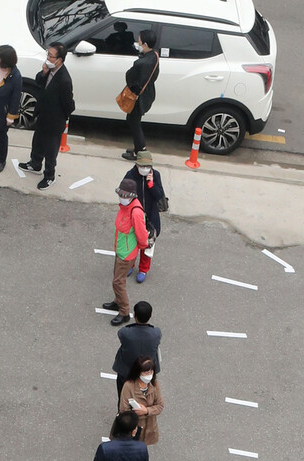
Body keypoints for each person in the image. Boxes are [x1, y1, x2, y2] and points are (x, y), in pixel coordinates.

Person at [18, 41, 75, 189]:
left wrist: (61, 117)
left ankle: (49, 175)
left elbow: (68, 104)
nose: (48, 58)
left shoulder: (64, 80)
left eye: (51, 56)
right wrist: (43, 72)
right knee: (38, 141)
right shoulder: (49, 69)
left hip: (55, 121)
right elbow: (39, 82)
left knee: (51, 149)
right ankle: (35, 164)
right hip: (43, 115)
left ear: (59, 60)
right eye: (48, 54)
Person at [103, 181, 149, 325]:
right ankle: (117, 301)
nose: (121, 197)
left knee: (118, 282)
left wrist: (143, 246)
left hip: (126, 253)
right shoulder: (126, 206)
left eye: (124, 195)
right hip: (122, 250)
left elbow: (141, 234)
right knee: (118, 278)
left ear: (130, 196)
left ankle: (124, 312)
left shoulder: (135, 212)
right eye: (120, 194)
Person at [122, 149, 166, 281]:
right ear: (136, 165)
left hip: (151, 218)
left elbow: (159, 196)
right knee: (132, 244)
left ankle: (143, 269)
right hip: (134, 217)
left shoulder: (156, 175)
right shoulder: (130, 175)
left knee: (148, 246)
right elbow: (123, 193)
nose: (145, 169)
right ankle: (130, 265)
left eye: (147, 166)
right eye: (142, 166)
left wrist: (151, 185)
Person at [113, 301, 162, 408]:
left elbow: (121, 334)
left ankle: (123, 417)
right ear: (150, 316)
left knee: (123, 397)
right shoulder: (156, 333)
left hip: (126, 372)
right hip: (146, 372)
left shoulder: (126, 333)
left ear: (134, 316)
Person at [121, 29, 159, 161]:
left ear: (145, 44)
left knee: (134, 122)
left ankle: (140, 151)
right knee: (133, 121)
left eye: (140, 40)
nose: (138, 41)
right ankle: (138, 148)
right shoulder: (154, 56)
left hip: (139, 98)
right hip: (147, 94)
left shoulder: (141, 63)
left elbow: (133, 80)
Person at [119, 355, 164, 445]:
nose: (149, 375)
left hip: (149, 426)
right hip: (132, 427)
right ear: (138, 372)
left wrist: (146, 410)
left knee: (141, 450)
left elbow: (160, 406)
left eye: (151, 371)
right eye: (146, 372)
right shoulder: (129, 386)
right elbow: (123, 410)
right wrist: (137, 412)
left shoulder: (154, 384)